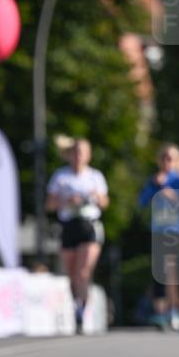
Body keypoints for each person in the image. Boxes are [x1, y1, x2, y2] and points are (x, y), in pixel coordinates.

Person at [46, 137, 109, 334]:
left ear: (88, 155)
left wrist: (96, 197)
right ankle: (76, 304)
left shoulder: (95, 177)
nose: (78, 156)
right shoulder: (60, 177)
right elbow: (50, 204)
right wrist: (67, 201)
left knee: (83, 272)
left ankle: (83, 309)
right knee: (72, 274)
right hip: (68, 225)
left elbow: (105, 202)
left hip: (89, 225)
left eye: (82, 152)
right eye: (75, 152)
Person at [138, 143, 179, 331]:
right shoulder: (155, 180)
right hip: (160, 232)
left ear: (177, 161)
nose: (168, 162)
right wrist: (155, 185)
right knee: (160, 273)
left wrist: (173, 197)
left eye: (172, 158)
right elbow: (142, 202)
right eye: (164, 158)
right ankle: (161, 313)